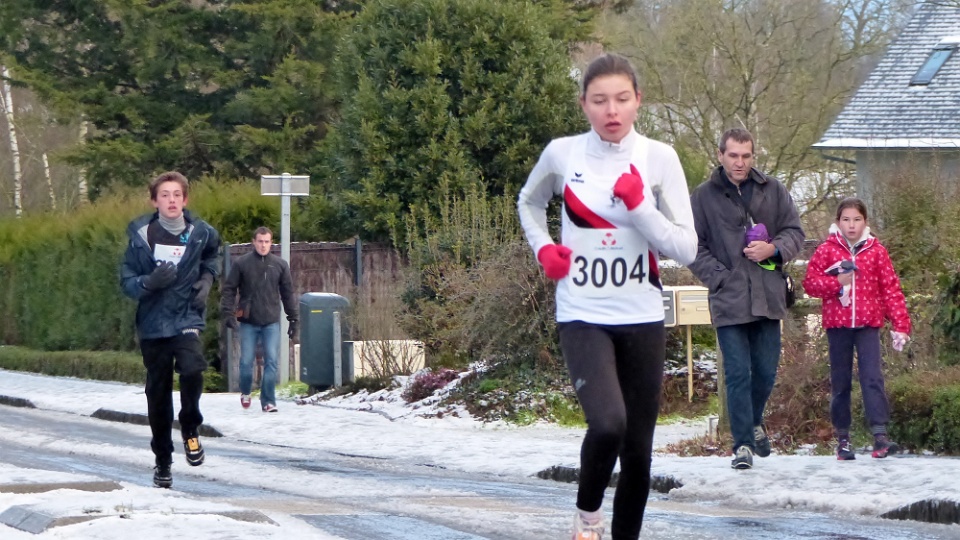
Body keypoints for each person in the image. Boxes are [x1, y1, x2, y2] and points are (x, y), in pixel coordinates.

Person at [517, 53, 697, 540]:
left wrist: (640, 206)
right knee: (608, 423)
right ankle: (588, 515)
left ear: (638, 100)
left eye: (621, 99)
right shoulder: (562, 154)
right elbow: (529, 202)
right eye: (599, 101)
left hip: (642, 315)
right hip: (583, 314)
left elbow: (685, 247)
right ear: (584, 105)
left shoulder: (660, 158)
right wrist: (544, 248)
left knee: (638, 451)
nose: (611, 110)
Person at [688, 128, 804, 470]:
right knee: (738, 372)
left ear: (753, 156)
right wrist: (720, 277)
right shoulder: (703, 197)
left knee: (765, 372)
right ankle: (742, 445)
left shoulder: (774, 190)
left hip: (768, 295)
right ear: (720, 155)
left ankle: (753, 423)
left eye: (746, 156)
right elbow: (692, 246)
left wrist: (774, 249)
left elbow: (795, 232)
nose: (740, 162)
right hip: (729, 298)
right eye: (733, 155)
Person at [120, 171, 221, 488]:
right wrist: (148, 282)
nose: (172, 200)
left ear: (185, 199)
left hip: (186, 315)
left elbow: (212, 257)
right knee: (158, 394)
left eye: (177, 194)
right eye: (165, 195)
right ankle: (163, 461)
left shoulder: (201, 232)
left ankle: (190, 426)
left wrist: (207, 281)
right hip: (153, 323)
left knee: (193, 367)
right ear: (155, 201)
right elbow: (126, 281)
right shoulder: (142, 236)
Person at [802, 197, 910, 460]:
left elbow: (891, 290)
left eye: (857, 220)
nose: (851, 225)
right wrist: (837, 282)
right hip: (837, 325)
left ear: (865, 222)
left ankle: (880, 435)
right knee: (840, 382)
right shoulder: (826, 250)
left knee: (872, 378)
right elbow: (810, 284)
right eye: (846, 220)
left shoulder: (876, 251)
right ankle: (843, 438)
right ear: (838, 222)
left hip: (868, 324)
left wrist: (901, 324)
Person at [220, 226, 298, 413]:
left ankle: (268, 401)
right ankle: (246, 391)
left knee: (271, 361)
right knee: (246, 361)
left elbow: (287, 293)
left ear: (271, 243)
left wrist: (293, 319)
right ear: (254, 242)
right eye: (260, 241)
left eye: (267, 242)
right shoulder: (241, 263)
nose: (263, 245)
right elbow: (229, 289)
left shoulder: (280, 265)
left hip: (271, 320)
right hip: (248, 320)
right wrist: (228, 314)